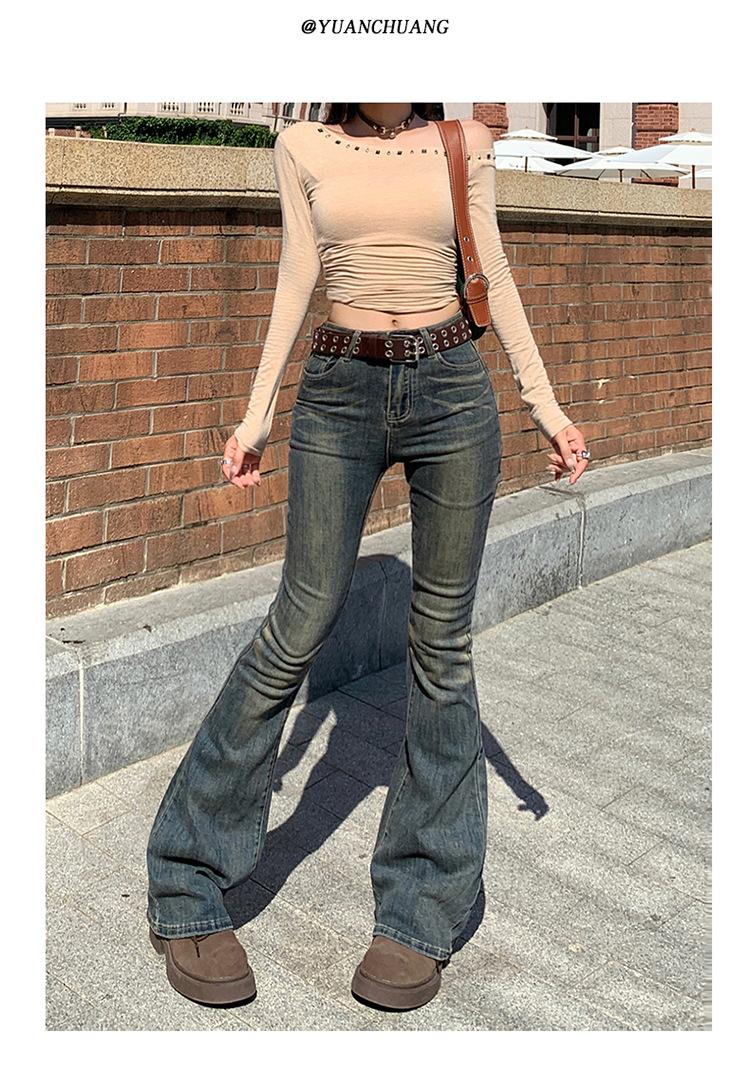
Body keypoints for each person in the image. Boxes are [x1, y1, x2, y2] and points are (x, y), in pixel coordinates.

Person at [145, 102, 590, 1013]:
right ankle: (187, 878)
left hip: (453, 390)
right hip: (339, 392)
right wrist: (256, 413)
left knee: (443, 645)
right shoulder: (301, 144)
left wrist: (547, 409)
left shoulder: (464, 142)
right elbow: (297, 272)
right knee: (298, 624)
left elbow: (496, 271)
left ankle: (420, 912)